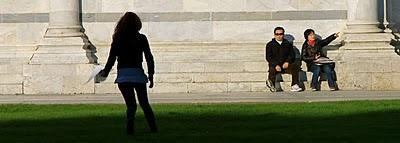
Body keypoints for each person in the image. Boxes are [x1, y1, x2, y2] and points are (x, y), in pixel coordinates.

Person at [98, 12, 157, 135]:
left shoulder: (118, 39)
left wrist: (105, 72)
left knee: (131, 105)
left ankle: (130, 127)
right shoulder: (141, 38)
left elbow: (112, 58)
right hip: (137, 74)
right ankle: (153, 128)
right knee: (144, 103)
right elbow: (149, 58)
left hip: (123, 75)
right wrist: (151, 75)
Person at [265, 27, 302, 92]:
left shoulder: (288, 44)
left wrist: (287, 62)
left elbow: (292, 55)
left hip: (285, 65)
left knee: (295, 66)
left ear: (283, 35)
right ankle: (272, 85)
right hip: (275, 66)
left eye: (281, 34)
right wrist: (276, 65)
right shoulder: (270, 44)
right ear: (274, 35)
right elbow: (268, 57)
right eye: (277, 34)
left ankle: (295, 85)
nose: (279, 36)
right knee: (271, 69)